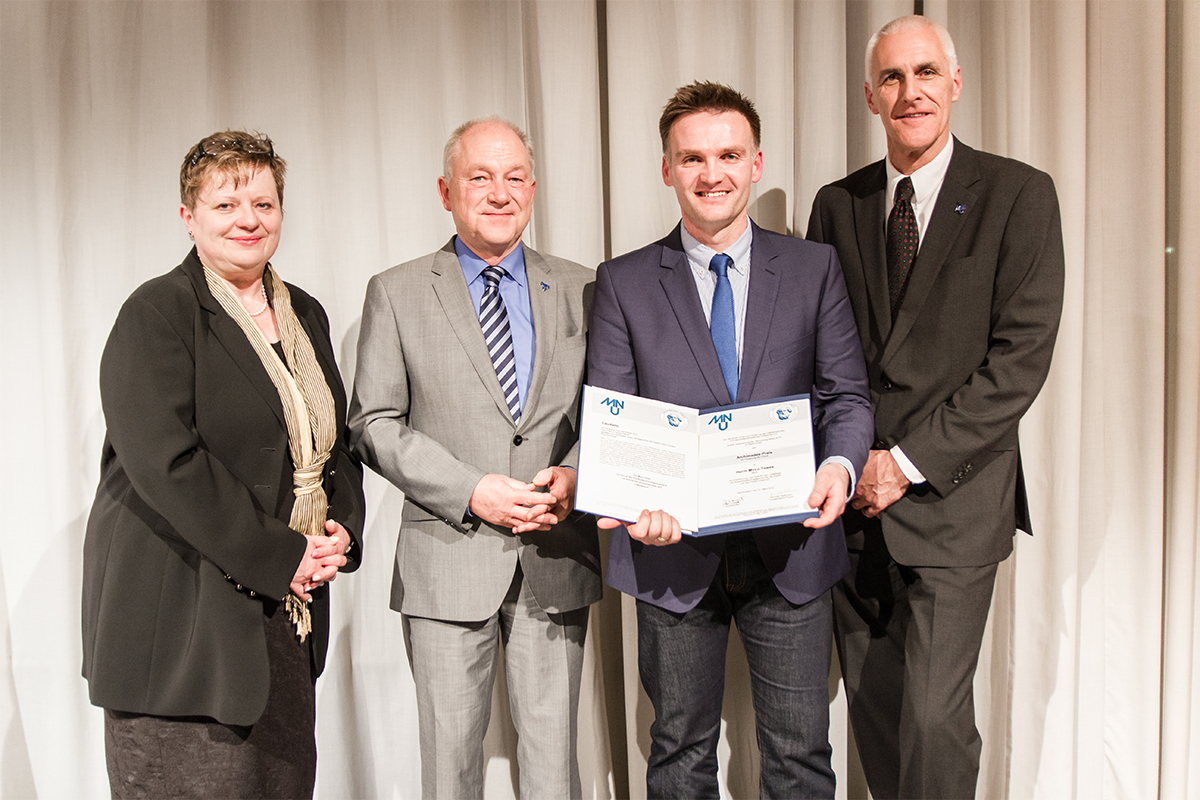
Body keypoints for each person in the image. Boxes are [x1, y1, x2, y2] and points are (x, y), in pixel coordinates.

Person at [587, 81, 873, 798]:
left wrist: (840, 466)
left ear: (756, 163)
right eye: (692, 158)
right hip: (671, 551)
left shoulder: (814, 268)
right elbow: (616, 417)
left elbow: (846, 395)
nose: (711, 173)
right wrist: (631, 503)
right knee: (679, 752)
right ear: (666, 169)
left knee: (800, 754)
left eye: (727, 155)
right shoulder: (622, 283)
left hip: (793, 546)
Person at [806, 15, 1065, 799]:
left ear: (955, 83)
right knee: (878, 715)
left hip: (953, 502)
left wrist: (906, 464)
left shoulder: (1019, 194)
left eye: (925, 74)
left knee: (934, 720)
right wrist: (850, 463)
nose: (909, 91)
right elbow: (822, 356)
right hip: (853, 510)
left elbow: (1018, 363)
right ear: (869, 96)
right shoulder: (837, 204)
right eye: (891, 78)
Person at [81, 130, 366, 799]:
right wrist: (283, 553)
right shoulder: (157, 314)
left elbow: (331, 446)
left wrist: (339, 529)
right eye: (226, 205)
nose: (248, 220)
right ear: (189, 217)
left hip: (281, 624)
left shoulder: (306, 315)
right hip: (182, 631)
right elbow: (166, 464)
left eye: (263, 204)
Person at [348, 117, 600, 799]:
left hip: (555, 556)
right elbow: (371, 421)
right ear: (446, 190)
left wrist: (577, 473)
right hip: (445, 563)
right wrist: (471, 489)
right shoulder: (396, 291)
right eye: (479, 177)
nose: (499, 192)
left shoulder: (586, 287)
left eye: (514, 176)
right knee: (450, 771)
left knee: (554, 773)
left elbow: (610, 408)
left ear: (534, 188)